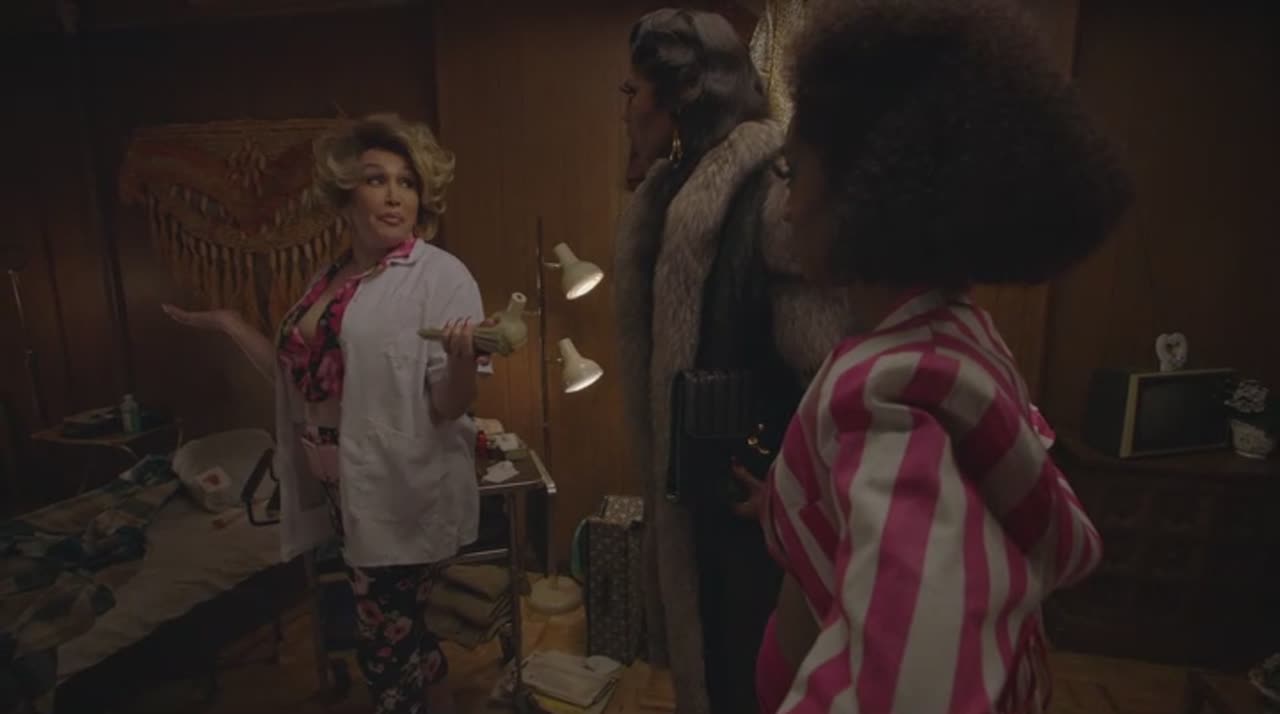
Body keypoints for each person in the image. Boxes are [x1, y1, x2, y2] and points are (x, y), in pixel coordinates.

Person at [756, 0, 1133, 712]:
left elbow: (913, 687)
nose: (786, 208)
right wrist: (797, 500)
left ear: (863, 190)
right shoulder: (955, 335)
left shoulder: (893, 396)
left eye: (792, 172)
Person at [163, 113, 489, 714]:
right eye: (376, 179)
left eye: (407, 182)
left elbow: (448, 404)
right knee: (406, 631)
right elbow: (295, 378)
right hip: (345, 492)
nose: (394, 195)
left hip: (402, 492)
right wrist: (231, 325)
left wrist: (464, 359)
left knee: (384, 651)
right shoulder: (329, 279)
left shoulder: (442, 277)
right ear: (346, 194)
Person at [613, 9, 855, 714]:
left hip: (755, 518)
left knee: (754, 680)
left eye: (632, 90)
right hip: (699, 503)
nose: (626, 108)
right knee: (715, 676)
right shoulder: (667, 192)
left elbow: (835, 369)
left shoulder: (770, 194)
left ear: (676, 95)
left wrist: (794, 486)